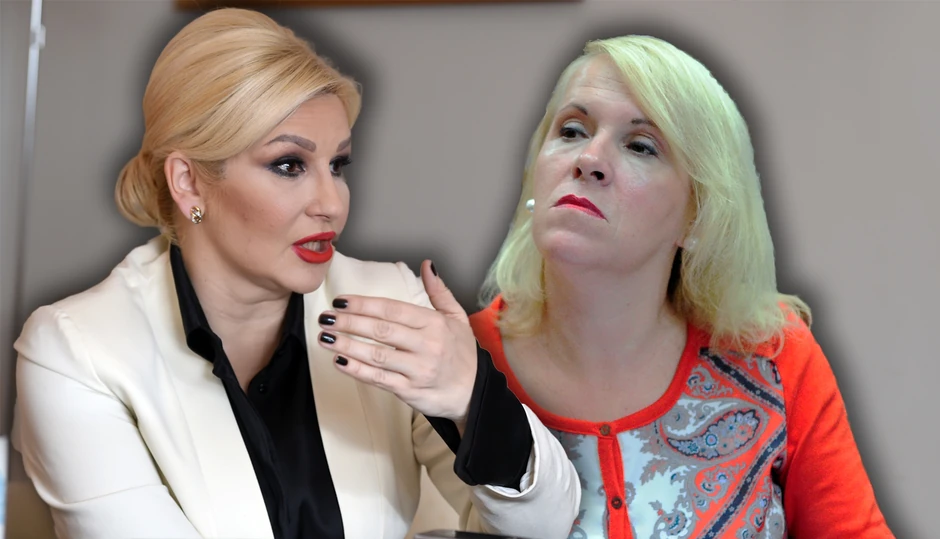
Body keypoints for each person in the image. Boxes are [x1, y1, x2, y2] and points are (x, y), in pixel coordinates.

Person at [11, 9, 580, 539]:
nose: (332, 204)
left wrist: (471, 397)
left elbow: (545, 526)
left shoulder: (390, 302)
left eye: (338, 165)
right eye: (289, 165)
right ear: (188, 183)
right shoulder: (75, 351)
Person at [470, 35, 895, 538]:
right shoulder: (461, 362)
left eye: (640, 146)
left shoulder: (772, 357)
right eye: (572, 130)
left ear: (697, 218)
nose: (589, 158)